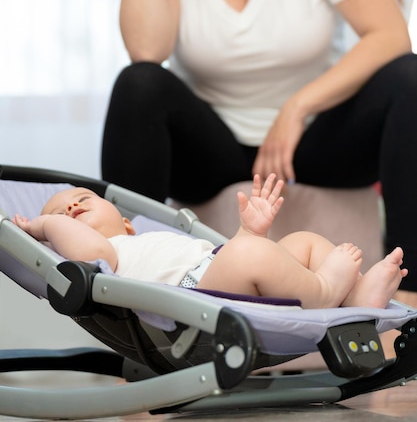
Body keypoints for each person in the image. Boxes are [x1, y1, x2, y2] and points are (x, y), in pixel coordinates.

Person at [100, 0, 417, 306]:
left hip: (312, 142)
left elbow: (390, 35)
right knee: (138, 84)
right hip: (218, 150)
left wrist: (296, 108)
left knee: (409, 78)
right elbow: (147, 52)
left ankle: (410, 301)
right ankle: (121, 304)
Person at [12, 174, 406, 310]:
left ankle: (352, 299)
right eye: (62, 213)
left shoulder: (142, 238)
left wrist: (251, 231)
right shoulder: (106, 257)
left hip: (213, 271)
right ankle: (322, 293)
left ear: (128, 224)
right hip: (192, 299)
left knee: (300, 241)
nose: (73, 209)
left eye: (83, 200)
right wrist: (43, 225)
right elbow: (86, 251)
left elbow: (217, 260)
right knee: (249, 253)